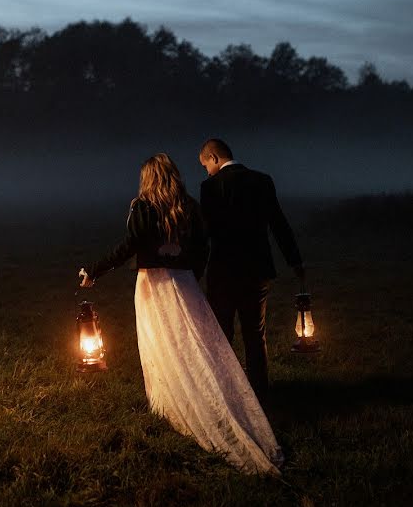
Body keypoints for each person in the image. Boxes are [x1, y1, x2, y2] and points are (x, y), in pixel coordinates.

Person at [79, 153, 283, 475]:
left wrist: (93, 271)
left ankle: (171, 402)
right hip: (185, 282)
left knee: (162, 343)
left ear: (147, 177)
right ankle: (194, 394)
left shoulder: (142, 206)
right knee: (193, 342)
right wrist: (191, 272)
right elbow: (203, 246)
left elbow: (129, 246)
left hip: (153, 285)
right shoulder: (189, 206)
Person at [198, 139, 305, 403]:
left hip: (223, 270)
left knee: (222, 334)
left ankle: (226, 393)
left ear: (213, 157)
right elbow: (279, 223)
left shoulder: (210, 186)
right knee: (255, 334)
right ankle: (259, 393)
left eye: (205, 166)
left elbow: (206, 233)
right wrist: (295, 261)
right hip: (257, 269)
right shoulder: (262, 180)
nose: (206, 171)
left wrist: (194, 269)